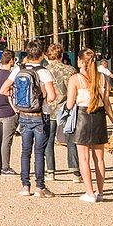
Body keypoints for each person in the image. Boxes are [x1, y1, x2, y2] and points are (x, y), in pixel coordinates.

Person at [0, 39, 58, 198]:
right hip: (40, 116)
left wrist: (17, 97)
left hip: (23, 115)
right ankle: (40, 187)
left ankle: (25, 186)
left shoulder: (18, 69)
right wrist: (43, 95)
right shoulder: (44, 71)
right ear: (42, 54)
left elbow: (3, 89)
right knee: (39, 152)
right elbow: (52, 97)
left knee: (25, 151)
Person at [67, 48, 113, 203]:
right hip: (99, 116)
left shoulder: (75, 79)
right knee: (100, 159)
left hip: (83, 117)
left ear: (81, 61)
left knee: (84, 158)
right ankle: (100, 192)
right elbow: (107, 103)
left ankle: (89, 193)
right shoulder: (103, 78)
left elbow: (70, 104)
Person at [43, 43, 78, 182]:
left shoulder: (44, 71)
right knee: (71, 141)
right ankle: (75, 172)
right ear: (61, 55)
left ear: (47, 55)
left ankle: (50, 171)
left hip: (49, 109)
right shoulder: (70, 70)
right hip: (67, 109)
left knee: (49, 140)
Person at [0, 51, 18, 175]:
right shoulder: (11, 75)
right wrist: (16, 109)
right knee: (7, 141)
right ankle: (5, 167)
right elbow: (11, 94)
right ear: (11, 60)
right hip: (8, 111)